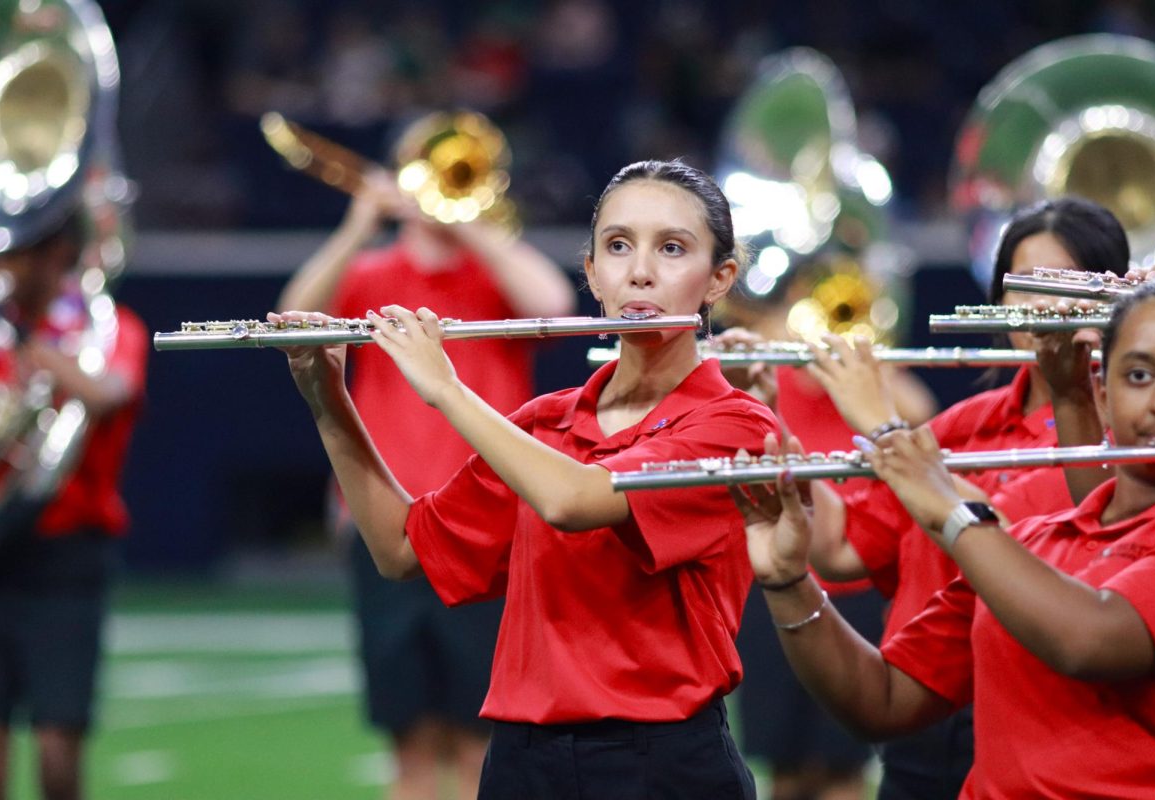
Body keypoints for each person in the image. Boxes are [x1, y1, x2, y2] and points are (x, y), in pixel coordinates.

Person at [274, 158, 780, 799]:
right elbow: (401, 549)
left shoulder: (733, 423)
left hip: (663, 761)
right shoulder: (546, 421)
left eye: (672, 249)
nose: (641, 270)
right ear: (593, 273)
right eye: (618, 246)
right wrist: (329, 399)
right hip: (521, 764)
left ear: (720, 278)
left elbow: (574, 499)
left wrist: (445, 388)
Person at [735, 265, 1155, 797]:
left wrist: (950, 509)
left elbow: (1089, 641)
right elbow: (881, 698)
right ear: (1102, 395)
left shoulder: (1000, 540)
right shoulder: (1035, 539)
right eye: (1138, 375)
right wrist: (787, 581)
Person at [277, 114, 575, 800]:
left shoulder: (492, 274)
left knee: (481, 740)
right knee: (407, 744)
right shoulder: (372, 272)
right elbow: (292, 313)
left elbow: (552, 300)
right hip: (388, 525)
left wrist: (466, 218)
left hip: (485, 528)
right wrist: (360, 224)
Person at [796, 196, 1131, 799]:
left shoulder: (1116, 440)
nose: (1038, 308)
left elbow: (1021, 537)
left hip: (1032, 713)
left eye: (1061, 285)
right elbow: (840, 548)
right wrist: (772, 432)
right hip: (919, 709)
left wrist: (885, 427)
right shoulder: (967, 422)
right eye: (1022, 286)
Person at [715, 291, 937, 800]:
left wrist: (856, 365)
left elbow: (921, 412)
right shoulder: (768, 372)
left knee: (843, 768)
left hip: (854, 583)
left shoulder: (861, 377)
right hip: (777, 582)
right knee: (785, 768)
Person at [0, 211, 148, 800]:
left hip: (66, 555)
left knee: (57, 748)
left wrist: (33, 349)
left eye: (15, 253)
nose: (1, 266)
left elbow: (109, 393)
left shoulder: (107, 328)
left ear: (54, 253)